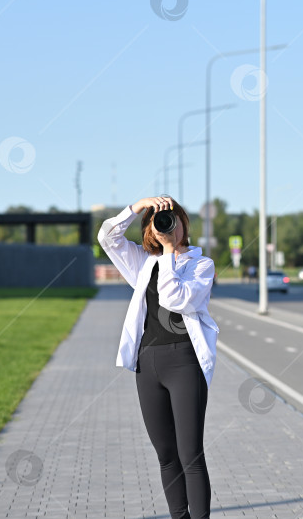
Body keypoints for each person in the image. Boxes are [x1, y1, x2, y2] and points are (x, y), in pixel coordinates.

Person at [97, 195, 218, 519]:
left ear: (183, 224)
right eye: (159, 220)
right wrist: (136, 207)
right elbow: (107, 237)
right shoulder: (143, 262)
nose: (168, 225)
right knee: (166, 454)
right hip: (147, 365)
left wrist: (168, 253)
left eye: (173, 218)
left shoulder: (200, 266)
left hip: (184, 363)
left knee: (190, 453)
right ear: (149, 228)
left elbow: (175, 298)